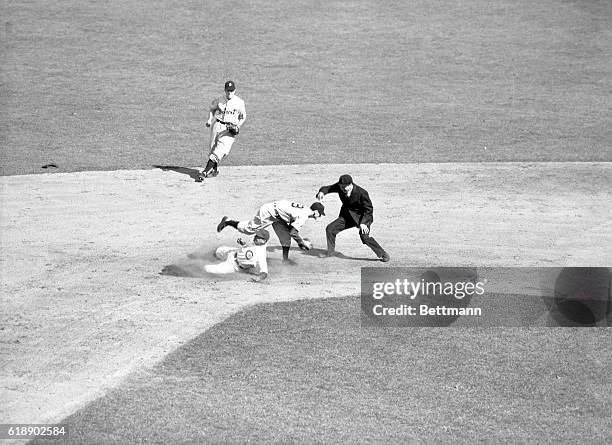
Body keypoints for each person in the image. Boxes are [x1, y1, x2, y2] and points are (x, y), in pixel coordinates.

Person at [216, 200, 325, 264]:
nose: (319, 216)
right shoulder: (304, 215)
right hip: (269, 212)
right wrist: (301, 243)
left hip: (277, 215)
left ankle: (285, 260)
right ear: (316, 212)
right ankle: (228, 221)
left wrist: (300, 241)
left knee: (285, 237)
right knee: (249, 229)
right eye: (320, 214)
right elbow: (294, 232)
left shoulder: (304, 210)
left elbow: (290, 229)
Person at [316, 174, 390, 262]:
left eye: (345, 187)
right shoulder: (340, 186)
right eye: (341, 186)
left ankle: (383, 254)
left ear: (351, 184)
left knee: (364, 238)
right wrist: (322, 192)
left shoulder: (362, 193)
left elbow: (369, 210)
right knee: (330, 229)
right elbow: (327, 188)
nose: (343, 189)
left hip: (362, 217)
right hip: (347, 216)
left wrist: (363, 223)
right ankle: (331, 252)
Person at [197, 80, 246, 181]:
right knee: (212, 149)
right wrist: (210, 119)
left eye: (232, 91)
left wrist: (238, 126)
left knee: (220, 151)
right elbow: (212, 109)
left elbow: (243, 117)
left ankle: (204, 172)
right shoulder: (219, 100)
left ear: (235, 90)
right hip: (217, 125)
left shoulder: (239, 102)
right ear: (225, 90)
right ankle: (213, 170)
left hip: (229, 129)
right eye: (228, 91)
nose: (229, 93)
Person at [204, 230, 270, 282]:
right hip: (233, 252)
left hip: (234, 265)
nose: (256, 236)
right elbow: (248, 245)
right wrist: (243, 243)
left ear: (263, 241)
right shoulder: (256, 240)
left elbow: (264, 272)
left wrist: (258, 278)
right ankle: (208, 258)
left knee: (211, 269)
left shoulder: (260, 254)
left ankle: (197, 268)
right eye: (257, 235)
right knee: (219, 250)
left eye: (259, 237)